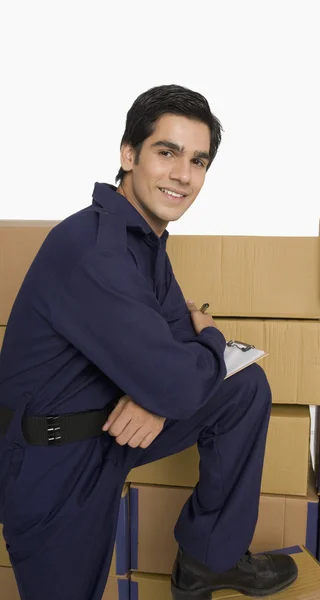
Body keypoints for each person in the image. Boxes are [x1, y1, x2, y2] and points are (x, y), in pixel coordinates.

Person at [0, 84, 298, 600]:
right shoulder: (92, 249)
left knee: (243, 388)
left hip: (111, 427)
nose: (184, 174)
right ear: (129, 154)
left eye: (198, 161)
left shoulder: (142, 238)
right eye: (167, 152)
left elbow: (176, 344)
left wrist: (155, 398)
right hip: (52, 460)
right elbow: (188, 354)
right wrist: (208, 340)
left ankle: (209, 560)